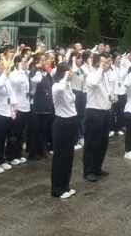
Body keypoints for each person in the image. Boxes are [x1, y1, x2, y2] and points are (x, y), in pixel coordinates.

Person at [83, 53, 113, 182]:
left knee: (103, 142)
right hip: (94, 113)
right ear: (97, 63)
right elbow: (94, 82)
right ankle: (88, 170)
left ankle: (97, 167)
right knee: (92, 142)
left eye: (107, 62)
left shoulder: (104, 76)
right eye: (103, 62)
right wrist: (100, 68)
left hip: (105, 112)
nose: (107, 65)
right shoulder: (92, 75)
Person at [51, 62, 78, 199]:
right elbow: (60, 90)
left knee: (68, 156)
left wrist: (67, 80)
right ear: (63, 73)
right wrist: (65, 78)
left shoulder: (67, 86)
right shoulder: (57, 86)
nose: (72, 74)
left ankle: (65, 185)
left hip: (71, 121)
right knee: (60, 156)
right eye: (69, 72)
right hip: (62, 123)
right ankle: (57, 188)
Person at [7, 55, 30, 165]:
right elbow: (18, 82)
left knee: (21, 133)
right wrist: (20, 69)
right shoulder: (14, 75)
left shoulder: (25, 74)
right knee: (14, 133)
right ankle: (11, 155)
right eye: (23, 62)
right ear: (18, 64)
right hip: (17, 107)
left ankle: (18, 153)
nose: (26, 64)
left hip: (25, 106)